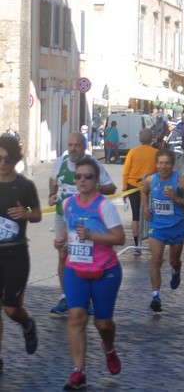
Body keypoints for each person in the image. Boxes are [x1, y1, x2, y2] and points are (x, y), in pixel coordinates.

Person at [53, 157, 125, 390]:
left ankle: (109, 348)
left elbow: (120, 238)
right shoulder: (68, 204)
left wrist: (92, 236)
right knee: (76, 317)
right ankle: (78, 372)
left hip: (105, 271)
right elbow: (68, 225)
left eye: (88, 176)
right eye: (79, 176)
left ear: (96, 180)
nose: (83, 180)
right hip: (76, 269)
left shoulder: (104, 206)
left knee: (103, 324)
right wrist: (62, 239)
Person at [48, 132, 117, 315]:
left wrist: (93, 186)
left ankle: (87, 296)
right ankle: (66, 297)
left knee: (86, 254)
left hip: (89, 216)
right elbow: (52, 180)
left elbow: (111, 187)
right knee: (63, 254)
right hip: (63, 215)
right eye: (70, 145)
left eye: (77, 145)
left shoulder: (93, 165)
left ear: (84, 146)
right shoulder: (60, 162)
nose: (72, 149)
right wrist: (52, 194)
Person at [0, 136, 41, 372]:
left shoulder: (25, 186)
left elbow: (37, 214)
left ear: (14, 160)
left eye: (6, 158)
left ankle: (27, 325)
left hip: (16, 255)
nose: (2, 163)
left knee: (12, 309)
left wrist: (26, 215)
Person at [141, 149, 184, 312]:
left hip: (176, 227)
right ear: (156, 164)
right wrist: (146, 207)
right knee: (156, 259)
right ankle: (155, 296)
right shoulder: (151, 180)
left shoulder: (181, 181)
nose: (163, 166)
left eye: (167, 163)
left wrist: (177, 199)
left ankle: (176, 269)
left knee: (173, 260)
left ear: (172, 165)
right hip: (157, 226)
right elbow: (143, 192)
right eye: (160, 163)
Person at [122, 128, 158, 255]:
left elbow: (126, 171)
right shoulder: (156, 153)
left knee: (135, 216)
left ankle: (137, 244)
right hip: (149, 186)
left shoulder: (133, 152)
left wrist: (124, 188)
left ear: (140, 139)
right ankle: (152, 241)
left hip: (133, 185)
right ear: (151, 139)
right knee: (149, 212)